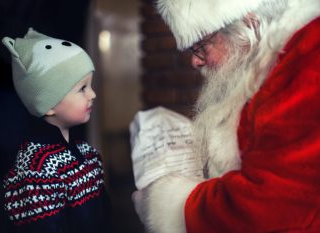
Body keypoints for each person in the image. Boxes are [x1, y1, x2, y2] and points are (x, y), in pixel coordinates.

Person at [132, 0, 320, 232]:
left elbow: (271, 205)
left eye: (201, 46)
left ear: (248, 23)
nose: (195, 61)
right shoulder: (272, 62)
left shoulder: (308, 59)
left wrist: (171, 204)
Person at [1, 28, 112, 233]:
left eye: (90, 85)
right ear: (48, 104)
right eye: (82, 88)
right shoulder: (35, 169)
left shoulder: (87, 154)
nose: (93, 94)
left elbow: (105, 216)